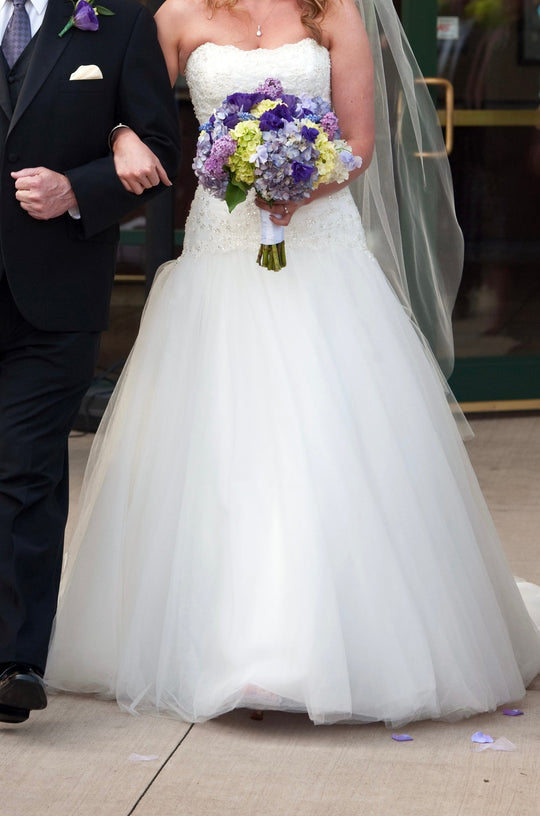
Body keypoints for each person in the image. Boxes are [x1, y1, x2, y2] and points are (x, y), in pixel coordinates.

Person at [46, 0, 540, 726]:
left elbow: (360, 143)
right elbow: (129, 107)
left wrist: (294, 185)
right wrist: (122, 135)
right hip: (221, 250)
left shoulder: (335, 12)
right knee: (227, 448)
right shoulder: (177, 14)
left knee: (324, 442)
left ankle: (311, 651)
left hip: (319, 248)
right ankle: (237, 648)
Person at [0, 0, 181, 725]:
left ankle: (15, 662)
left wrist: (80, 189)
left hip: (56, 298)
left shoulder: (120, 21)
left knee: (26, 465)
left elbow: (162, 149)